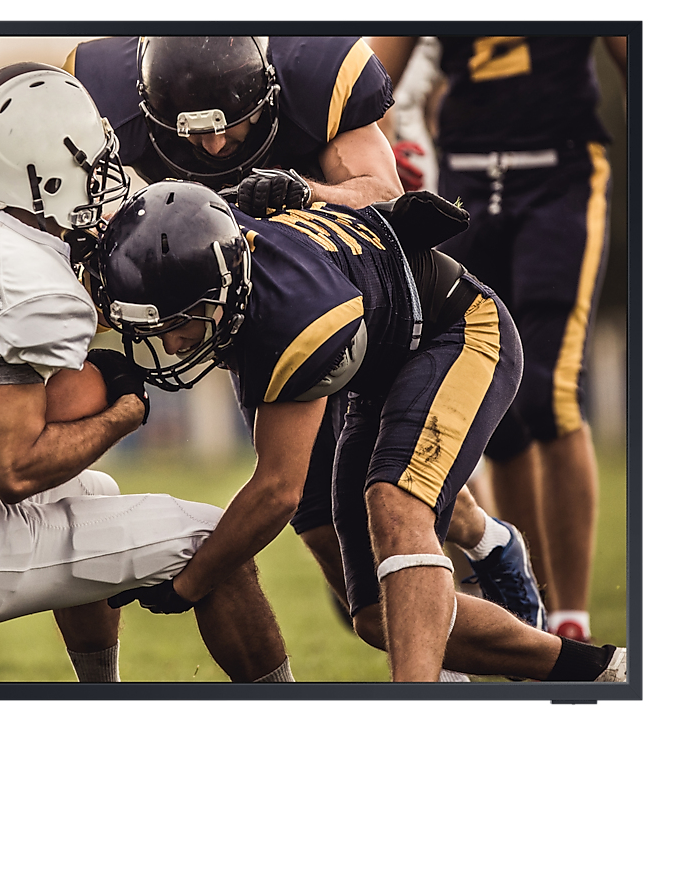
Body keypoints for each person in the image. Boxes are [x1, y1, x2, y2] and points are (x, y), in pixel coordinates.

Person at [0, 62, 295, 683]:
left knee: (93, 496)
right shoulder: (21, 285)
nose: (102, 175)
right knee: (218, 541)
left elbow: (119, 211)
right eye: (87, 164)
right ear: (39, 177)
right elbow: (15, 471)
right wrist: (125, 414)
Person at [68, 35, 542, 640]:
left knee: (393, 502)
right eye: (190, 132)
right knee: (328, 539)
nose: (212, 146)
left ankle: (481, 554)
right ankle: (463, 599)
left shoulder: (315, 73)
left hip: (355, 298)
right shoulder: (99, 93)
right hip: (251, 315)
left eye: (228, 125)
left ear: (266, 93)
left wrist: (305, 192)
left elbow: (386, 196)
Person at [95, 180, 626, 683]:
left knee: (395, 504)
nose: (170, 344)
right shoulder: (210, 244)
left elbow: (278, 490)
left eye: (176, 323)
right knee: (375, 615)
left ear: (223, 290)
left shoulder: (291, 314)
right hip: (380, 370)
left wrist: (189, 583)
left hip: (457, 331)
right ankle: (601, 669)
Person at [369, 35, 628, 643]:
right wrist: (380, 151)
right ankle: (528, 603)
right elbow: (367, 78)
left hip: (559, 175)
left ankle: (571, 618)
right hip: (465, 179)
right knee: (499, 403)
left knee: (549, 393)